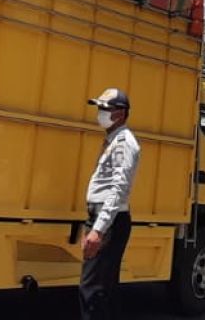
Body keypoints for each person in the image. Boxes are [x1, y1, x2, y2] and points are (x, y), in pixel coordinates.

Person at [80, 87, 140, 320]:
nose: (100, 113)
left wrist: (98, 229)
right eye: (99, 108)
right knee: (104, 289)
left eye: (106, 109)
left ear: (121, 113)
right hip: (103, 219)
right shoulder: (113, 140)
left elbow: (118, 189)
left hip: (109, 221)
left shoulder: (125, 143)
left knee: (91, 289)